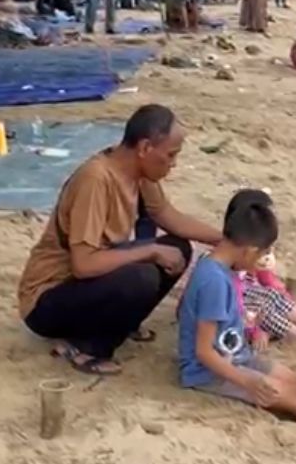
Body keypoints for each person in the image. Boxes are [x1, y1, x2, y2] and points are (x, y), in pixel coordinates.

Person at [17, 105, 223, 375]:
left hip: (87, 284)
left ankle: (118, 324)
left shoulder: (139, 173)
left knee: (178, 248)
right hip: (47, 300)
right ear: (145, 148)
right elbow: (83, 265)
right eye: (171, 155)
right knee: (142, 276)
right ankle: (89, 348)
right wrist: (149, 251)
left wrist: (225, 239)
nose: (174, 164)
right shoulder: (96, 180)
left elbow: (168, 216)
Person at [178, 189, 296, 430]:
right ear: (249, 250)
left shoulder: (223, 268)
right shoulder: (213, 281)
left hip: (239, 356)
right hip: (210, 373)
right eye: (263, 253)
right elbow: (204, 352)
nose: (262, 261)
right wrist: (247, 382)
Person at [224, 190, 296, 346]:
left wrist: (293, 302)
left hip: (251, 297)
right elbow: (234, 304)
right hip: (238, 308)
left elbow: (269, 281)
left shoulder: (252, 253)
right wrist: (254, 330)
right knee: (264, 305)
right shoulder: (233, 260)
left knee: (272, 295)